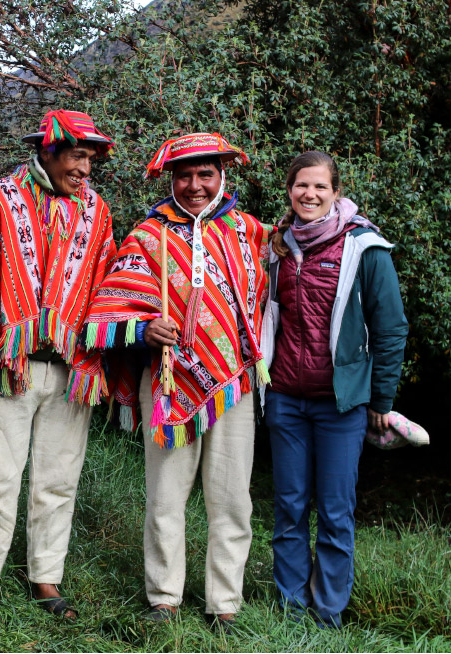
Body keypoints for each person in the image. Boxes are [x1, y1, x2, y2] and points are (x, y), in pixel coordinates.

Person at [84, 132, 271, 630]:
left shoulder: (248, 232)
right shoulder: (148, 235)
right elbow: (109, 307)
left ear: (220, 176)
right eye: (185, 176)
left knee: (231, 498)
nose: (194, 186)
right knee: (165, 495)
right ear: (172, 179)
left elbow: (275, 290)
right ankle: (163, 597)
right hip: (166, 383)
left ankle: (223, 603)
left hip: (233, 382)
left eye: (204, 175)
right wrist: (145, 329)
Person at [0, 110, 117, 618]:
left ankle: (46, 575)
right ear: (48, 151)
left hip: (72, 367)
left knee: (58, 477)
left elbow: (106, 284)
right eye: (77, 156)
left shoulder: (97, 211)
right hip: (12, 364)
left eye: (90, 159)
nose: (85, 169)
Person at [260, 151, 407, 627]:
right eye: (302, 185)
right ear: (289, 190)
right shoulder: (277, 248)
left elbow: (391, 329)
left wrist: (381, 400)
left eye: (321, 187)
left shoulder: (366, 249)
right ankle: (290, 604)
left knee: (337, 511)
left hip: (341, 405)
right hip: (285, 397)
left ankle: (328, 613)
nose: (310, 194)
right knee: (289, 506)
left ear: (336, 192)